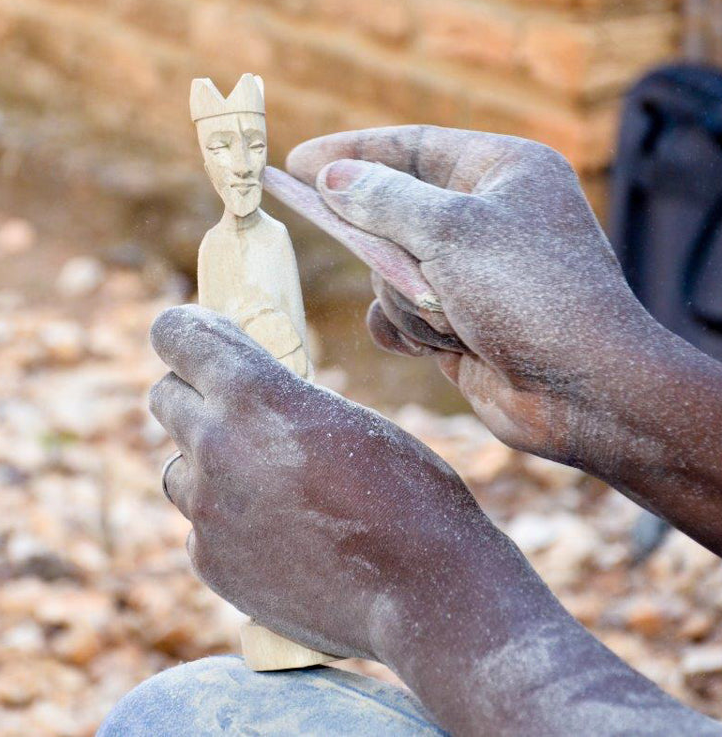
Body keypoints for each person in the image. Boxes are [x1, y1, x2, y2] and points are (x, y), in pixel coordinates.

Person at [99, 127, 722, 736]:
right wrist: (613, 378)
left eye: (252, 146)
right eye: (223, 148)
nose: (239, 164)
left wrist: (401, 583)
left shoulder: (272, 242)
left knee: (180, 719)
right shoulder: (221, 244)